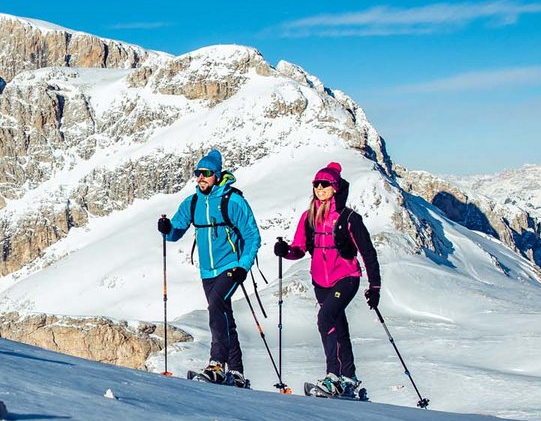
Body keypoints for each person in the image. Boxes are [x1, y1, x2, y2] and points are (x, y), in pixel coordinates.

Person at [273, 162, 382, 398]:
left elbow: (368, 252)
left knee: (325, 318)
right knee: (338, 327)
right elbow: (300, 249)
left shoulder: (349, 218)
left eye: (325, 184)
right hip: (320, 282)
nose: (319, 188)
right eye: (316, 184)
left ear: (335, 187)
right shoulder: (308, 217)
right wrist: (285, 251)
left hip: (346, 277)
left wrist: (375, 287)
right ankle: (349, 378)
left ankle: (333, 375)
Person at [157, 149, 260, 386]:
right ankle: (236, 372)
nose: (200, 177)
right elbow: (175, 232)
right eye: (198, 173)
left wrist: (243, 266)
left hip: (231, 266)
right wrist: (166, 227)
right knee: (224, 315)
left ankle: (216, 364)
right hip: (207, 271)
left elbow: (252, 236)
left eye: (206, 173)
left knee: (215, 307)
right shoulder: (193, 202)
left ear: (217, 175)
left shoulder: (232, 200)